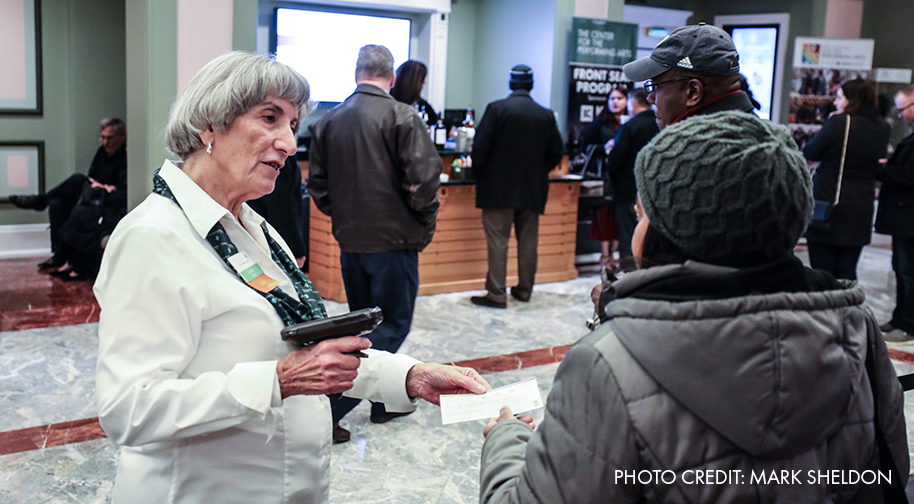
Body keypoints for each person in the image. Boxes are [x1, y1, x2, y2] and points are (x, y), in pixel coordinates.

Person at [94, 51, 488, 504]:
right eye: (269, 118)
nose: (287, 142)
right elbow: (128, 410)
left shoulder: (251, 225)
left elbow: (304, 352)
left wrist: (410, 377)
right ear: (209, 126)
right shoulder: (152, 238)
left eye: (293, 125)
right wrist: (279, 381)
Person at [478, 111, 908, 503]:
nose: (635, 226)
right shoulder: (857, 327)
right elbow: (890, 472)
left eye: (642, 214)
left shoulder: (608, 362)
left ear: (674, 232)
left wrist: (505, 439)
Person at [307, 45, 442, 443]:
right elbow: (423, 183)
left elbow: (318, 186)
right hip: (394, 241)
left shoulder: (327, 122)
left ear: (356, 74)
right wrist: (423, 221)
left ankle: (383, 401)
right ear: (392, 78)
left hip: (351, 242)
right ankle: (329, 407)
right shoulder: (403, 116)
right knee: (390, 325)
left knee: (365, 322)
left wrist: (346, 217)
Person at [469, 64, 564, 308]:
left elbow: (480, 148)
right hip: (532, 188)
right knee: (528, 242)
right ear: (531, 85)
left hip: (496, 188)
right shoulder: (545, 114)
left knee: (498, 242)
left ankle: (497, 294)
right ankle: (524, 290)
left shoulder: (497, 109)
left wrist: (480, 174)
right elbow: (557, 152)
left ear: (511, 83)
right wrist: (539, 171)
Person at [10, 117, 128, 276]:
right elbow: (92, 177)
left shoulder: (127, 157)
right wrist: (99, 184)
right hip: (94, 194)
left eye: (110, 138)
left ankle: (40, 200)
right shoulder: (102, 152)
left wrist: (104, 187)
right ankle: (59, 255)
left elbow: (121, 190)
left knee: (77, 179)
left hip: (108, 200)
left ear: (122, 137)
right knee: (57, 203)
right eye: (103, 137)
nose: (106, 142)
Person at [803, 79, 889, 281]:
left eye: (840, 97)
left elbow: (811, 151)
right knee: (847, 270)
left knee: (823, 272)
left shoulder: (840, 122)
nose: (835, 102)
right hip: (861, 205)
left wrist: (831, 123)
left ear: (852, 100)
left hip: (830, 202)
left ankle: (827, 312)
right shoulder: (883, 127)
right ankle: (848, 310)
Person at [622, 23, 754, 131]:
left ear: (693, 92)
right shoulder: (767, 138)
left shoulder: (685, 155)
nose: (650, 98)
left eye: (656, 87)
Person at [602, 88, 658, 271]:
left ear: (633, 104)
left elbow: (615, 161)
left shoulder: (630, 127)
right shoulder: (661, 124)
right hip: (655, 190)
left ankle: (630, 276)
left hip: (627, 190)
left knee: (628, 236)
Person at [875, 85, 914, 342]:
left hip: (909, 217)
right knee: (901, 270)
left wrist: (881, 170)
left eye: (903, 109)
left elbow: (908, 177)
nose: (900, 115)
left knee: (909, 272)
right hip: (903, 218)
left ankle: (909, 325)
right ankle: (899, 318)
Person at [581, 86, 627, 266]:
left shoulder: (630, 122)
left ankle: (616, 252)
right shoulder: (600, 122)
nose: (615, 102)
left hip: (624, 177)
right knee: (603, 214)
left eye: (619, 98)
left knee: (620, 214)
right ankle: (605, 253)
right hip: (604, 176)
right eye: (612, 99)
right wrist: (604, 148)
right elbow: (585, 147)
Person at [248, 156, 308, 268]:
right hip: (270, 241)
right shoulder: (275, 155)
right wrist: (294, 248)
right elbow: (281, 203)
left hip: (249, 234)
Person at [390, 59, 438, 126]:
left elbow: (433, 120)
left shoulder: (421, 104)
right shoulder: (388, 103)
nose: (424, 82)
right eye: (422, 80)